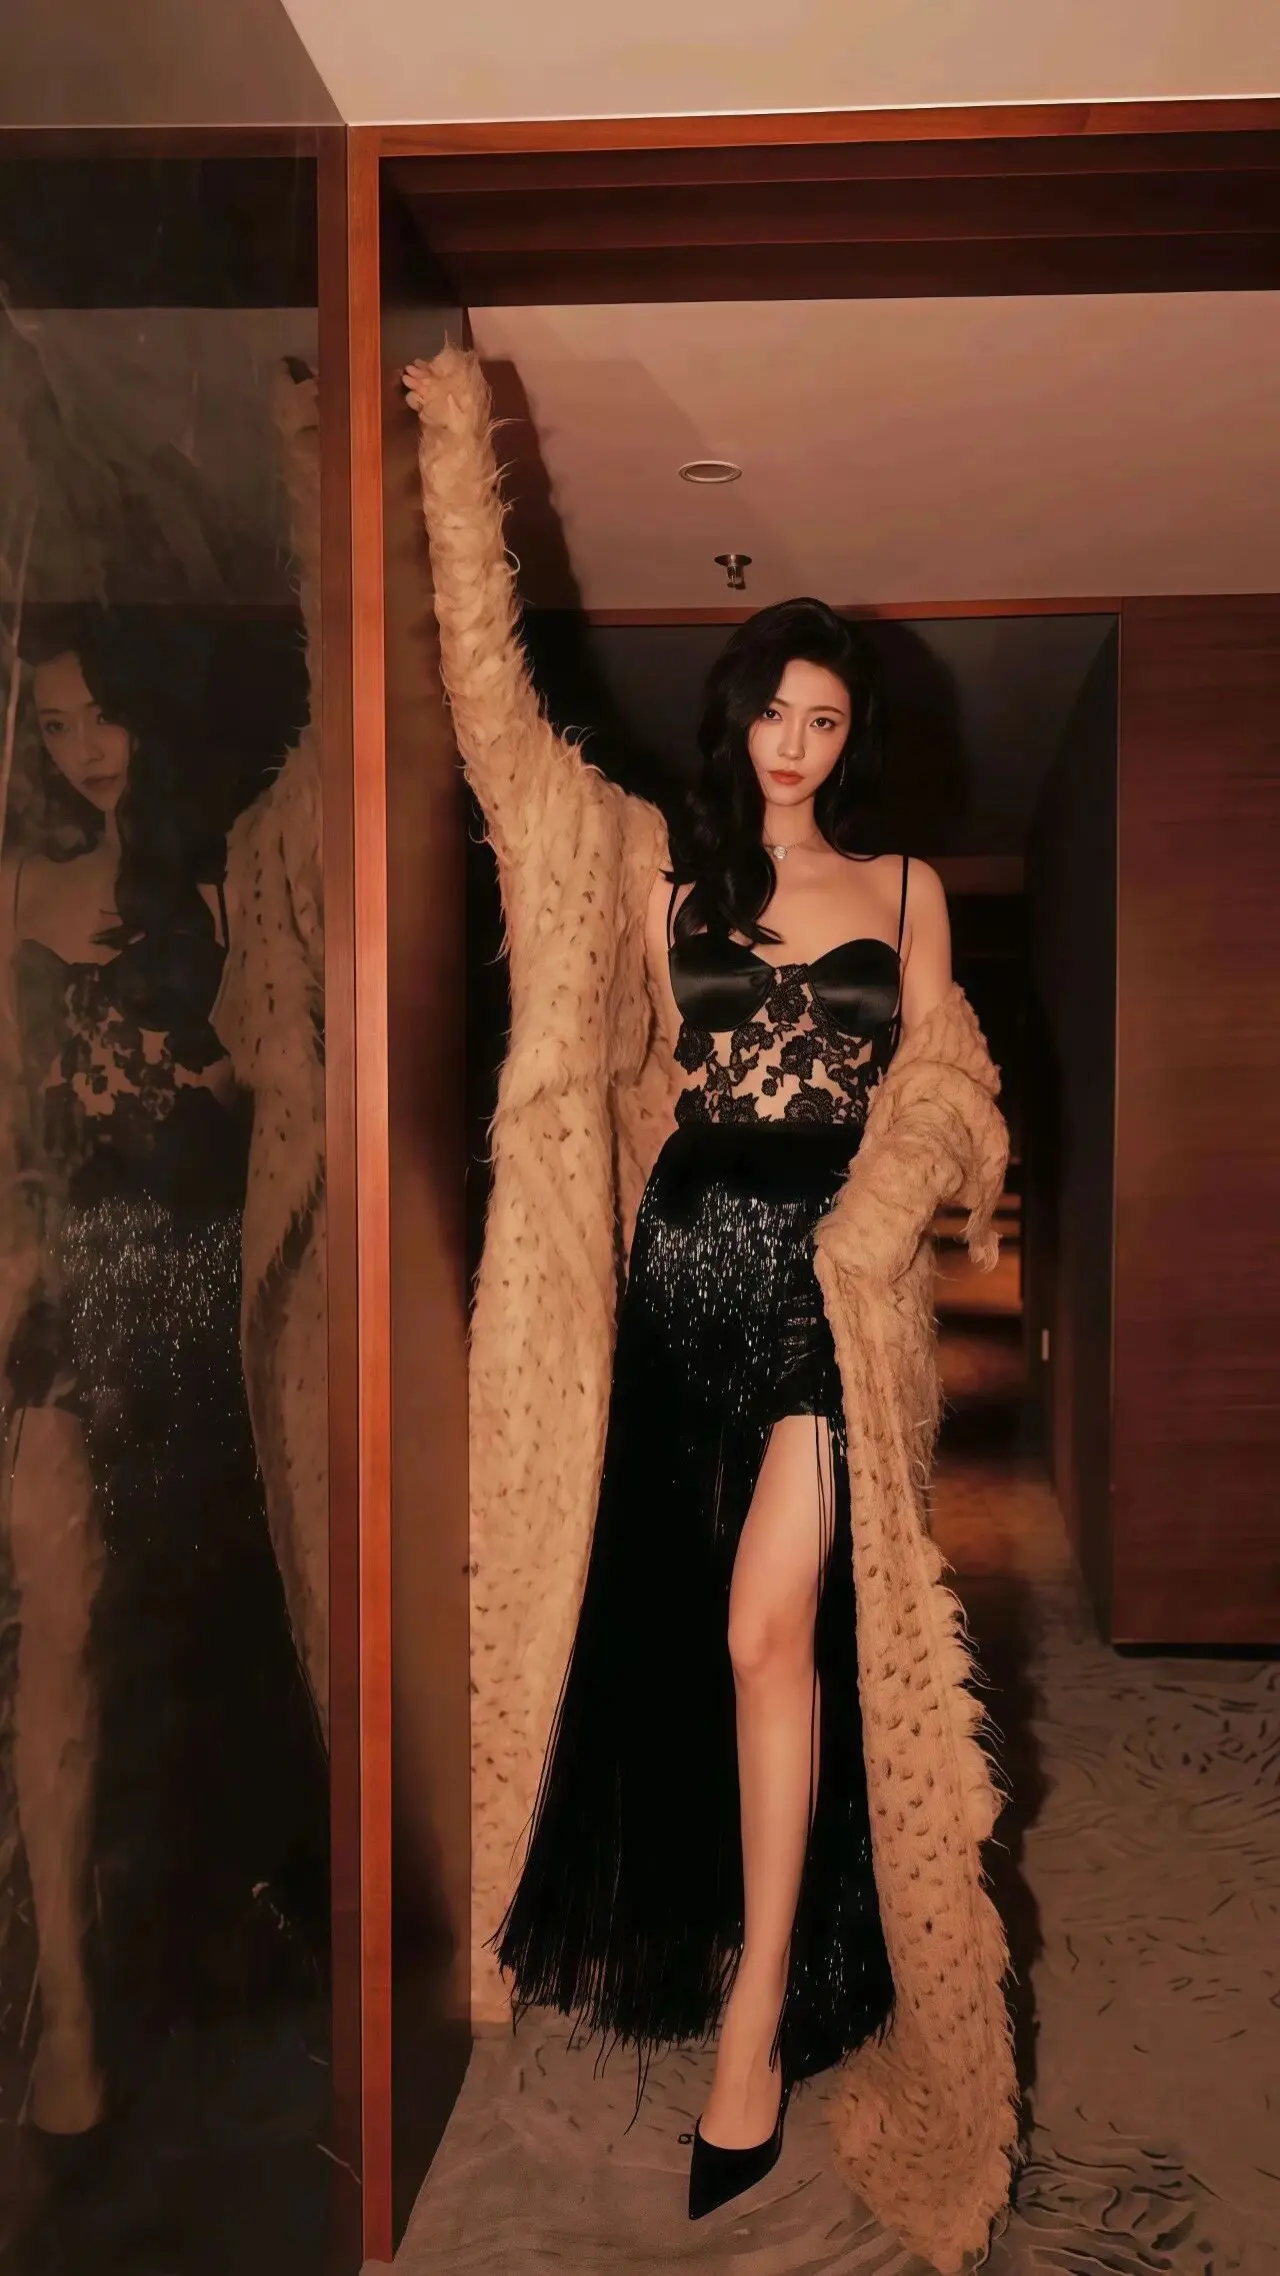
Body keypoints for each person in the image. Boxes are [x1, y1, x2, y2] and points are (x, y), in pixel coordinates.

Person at [407, 344, 1015, 2273]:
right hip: (682, 1267)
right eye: (777, 708)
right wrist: (458, 469)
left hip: (827, 1290)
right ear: (737, 711)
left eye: (828, 721)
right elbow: (503, 736)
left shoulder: (906, 890)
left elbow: (951, 1084)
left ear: (853, 741)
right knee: (691, 1633)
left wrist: (897, 1194)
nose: (797, 743)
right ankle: (740, 1941)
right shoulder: (662, 868)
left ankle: (759, 2016)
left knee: (775, 1629)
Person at [0, 621, 326, 2140]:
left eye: (101, 715)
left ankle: (205, 1957)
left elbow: (285, 1099)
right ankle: (67, 2015)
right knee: (57, 1632)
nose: (82, 748)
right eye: (55, 724)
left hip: (197, 1293)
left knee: (198, 1635)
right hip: (68, 1289)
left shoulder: (232, 880)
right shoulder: (23, 889)